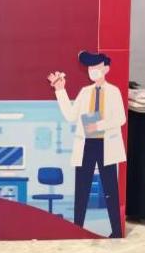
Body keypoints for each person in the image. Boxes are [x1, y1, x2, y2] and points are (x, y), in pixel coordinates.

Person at [48, 51, 126, 237]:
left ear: (106, 69)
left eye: (96, 67)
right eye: (90, 68)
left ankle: (116, 231)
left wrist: (98, 125)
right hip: (86, 145)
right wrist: (60, 90)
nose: (92, 71)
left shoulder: (114, 91)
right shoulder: (85, 92)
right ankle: (77, 230)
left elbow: (121, 118)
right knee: (81, 189)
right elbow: (71, 116)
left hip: (106, 144)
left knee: (110, 189)